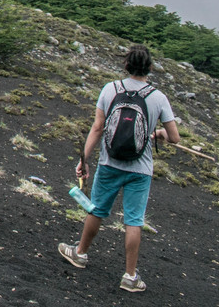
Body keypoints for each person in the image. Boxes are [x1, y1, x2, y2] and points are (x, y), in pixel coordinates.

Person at [58, 44, 179, 293]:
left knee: (97, 210)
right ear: (150, 68)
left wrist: (85, 159)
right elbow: (175, 137)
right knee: (133, 220)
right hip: (140, 168)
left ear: (126, 65)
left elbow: (97, 128)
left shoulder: (110, 89)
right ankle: (130, 276)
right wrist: (157, 134)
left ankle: (80, 254)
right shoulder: (158, 97)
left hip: (109, 162)